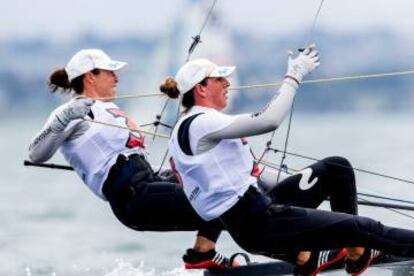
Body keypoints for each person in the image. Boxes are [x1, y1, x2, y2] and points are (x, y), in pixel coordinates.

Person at [161, 45, 414, 275]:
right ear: (201, 89)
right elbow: (268, 120)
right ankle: (334, 251)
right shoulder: (202, 123)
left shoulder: (187, 128)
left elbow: (247, 177)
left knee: (335, 169)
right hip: (260, 222)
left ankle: (349, 253)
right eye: (219, 79)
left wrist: (301, 182)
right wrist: (294, 76)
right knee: (366, 228)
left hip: (257, 211)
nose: (228, 82)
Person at [28, 49, 236, 270]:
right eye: (110, 72)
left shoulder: (111, 109)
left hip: (146, 183)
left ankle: (206, 253)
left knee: (224, 185)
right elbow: (35, 153)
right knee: (223, 198)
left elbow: (130, 159)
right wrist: (65, 118)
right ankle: (202, 254)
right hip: (132, 198)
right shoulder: (73, 110)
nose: (117, 78)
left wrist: (168, 173)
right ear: (91, 76)